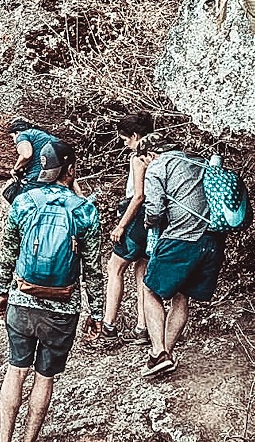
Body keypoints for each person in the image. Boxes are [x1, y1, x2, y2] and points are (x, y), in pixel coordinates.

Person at [0, 140, 103, 442]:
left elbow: (8, 252)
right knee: (44, 376)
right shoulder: (85, 212)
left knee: (16, 370)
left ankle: (4, 439)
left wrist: (3, 291)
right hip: (63, 308)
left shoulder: (24, 202)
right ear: (71, 169)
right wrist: (96, 312)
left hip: (22, 300)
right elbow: (92, 268)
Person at [140, 130, 227, 375]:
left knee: (150, 289)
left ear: (151, 153)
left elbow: (155, 211)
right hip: (212, 241)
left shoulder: (158, 166)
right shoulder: (199, 161)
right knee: (181, 295)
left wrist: (148, 223)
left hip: (181, 239)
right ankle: (165, 354)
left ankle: (158, 352)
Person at [100, 113, 154, 345]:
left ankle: (108, 327)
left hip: (136, 217)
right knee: (141, 269)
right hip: (154, 218)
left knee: (115, 268)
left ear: (134, 136)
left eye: (125, 140)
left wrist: (121, 225)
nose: (125, 144)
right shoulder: (159, 155)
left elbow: (138, 195)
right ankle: (142, 328)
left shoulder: (138, 158)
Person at [7, 117, 83, 196]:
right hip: (57, 177)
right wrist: (80, 195)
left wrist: (15, 169)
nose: (13, 140)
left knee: (16, 197)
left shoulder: (23, 135)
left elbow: (26, 155)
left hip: (38, 178)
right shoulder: (47, 136)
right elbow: (68, 170)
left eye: (12, 137)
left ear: (16, 132)